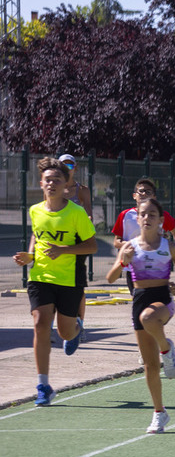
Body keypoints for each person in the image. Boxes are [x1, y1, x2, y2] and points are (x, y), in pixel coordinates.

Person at [12, 157, 98, 406]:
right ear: (41, 183)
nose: (51, 184)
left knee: (64, 331)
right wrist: (30, 255)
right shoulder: (35, 210)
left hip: (68, 279)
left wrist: (64, 249)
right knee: (40, 323)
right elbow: (36, 238)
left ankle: (77, 329)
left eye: (56, 180)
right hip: (40, 276)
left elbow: (91, 246)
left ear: (65, 185)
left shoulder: (76, 213)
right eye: (47, 180)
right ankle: (43, 385)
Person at [106, 198, 175, 432]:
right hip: (139, 299)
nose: (147, 218)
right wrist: (124, 262)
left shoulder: (168, 246)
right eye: (143, 214)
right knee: (151, 366)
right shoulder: (129, 247)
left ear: (161, 220)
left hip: (163, 300)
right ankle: (159, 413)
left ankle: (167, 349)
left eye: (152, 214)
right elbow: (110, 278)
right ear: (137, 218)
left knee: (149, 319)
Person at [112, 178, 175, 295]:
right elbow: (117, 242)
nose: (144, 194)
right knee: (140, 302)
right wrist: (137, 245)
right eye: (141, 191)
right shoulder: (125, 215)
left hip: (157, 265)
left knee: (156, 302)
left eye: (148, 192)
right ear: (134, 195)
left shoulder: (161, 216)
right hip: (133, 267)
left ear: (154, 197)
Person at [59, 154, 94, 329]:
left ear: (75, 168)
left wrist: (82, 220)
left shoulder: (82, 190)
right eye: (63, 165)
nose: (67, 168)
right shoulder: (54, 189)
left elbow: (89, 214)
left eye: (70, 165)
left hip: (77, 241)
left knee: (78, 284)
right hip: (59, 240)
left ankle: (79, 322)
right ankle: (51, 323)